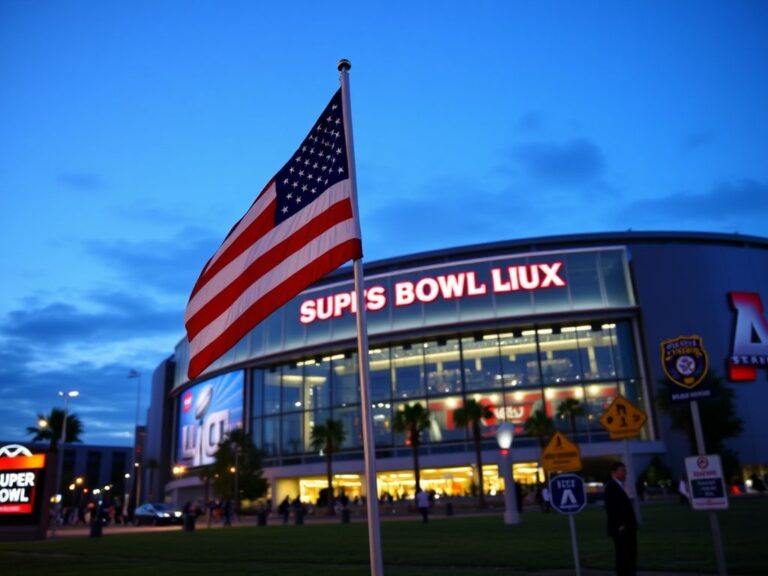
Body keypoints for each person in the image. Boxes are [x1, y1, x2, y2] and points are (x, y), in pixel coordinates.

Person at [605, 461, 638, 576]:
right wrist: (620, 525)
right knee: (623, 556)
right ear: (614, 473)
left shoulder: (623, 486)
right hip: (621, 529)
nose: (625, 473)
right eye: (622, 471)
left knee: (630, 554)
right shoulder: (611, 487)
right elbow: (612, 508)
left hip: (629, 527)